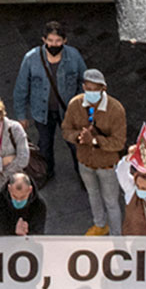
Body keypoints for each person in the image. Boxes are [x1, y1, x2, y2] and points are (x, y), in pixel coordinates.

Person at [11, 22, 87, 186]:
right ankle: (46, 173)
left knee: (75, 146)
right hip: (41, 112)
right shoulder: (31, 58)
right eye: (50, 40)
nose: (54, 44)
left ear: (65, 40)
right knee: (44, 145)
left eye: (58, 41)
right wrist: (21, 116)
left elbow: (85, 82)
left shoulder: (73, 56)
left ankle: (83, 176)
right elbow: (21, 88)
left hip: (68, 113)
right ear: (44, 39)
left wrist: (82, 108)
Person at [62, 67, 127, 234]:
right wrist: (79, 137)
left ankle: (116, 234)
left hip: (106, 165)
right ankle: (99, 224)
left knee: (111, 201)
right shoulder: (75, 104)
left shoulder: (115, 109)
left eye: (95, 89)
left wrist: (95, 140)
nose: (91, 93)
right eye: (88, 88)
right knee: (93, 195)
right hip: (85, 162)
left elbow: (119, 143)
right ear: (83, 87)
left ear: (103, 89)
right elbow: (66, 130)